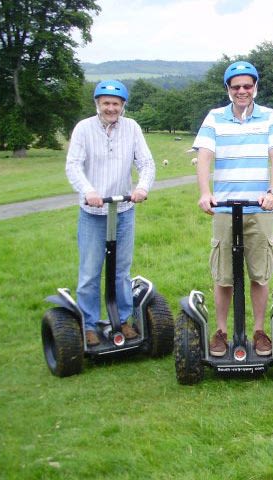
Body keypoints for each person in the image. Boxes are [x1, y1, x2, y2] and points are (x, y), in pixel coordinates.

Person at [193, 60, 273, 357]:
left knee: (260, 274)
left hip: (259, 209)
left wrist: (272, 192)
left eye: (247, 86)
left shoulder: (269, 117)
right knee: (223, 276)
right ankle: (221, 332)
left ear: (255, 87)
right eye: (236, 87)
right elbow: (205, 156)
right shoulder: (214, 118)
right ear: (228, 90)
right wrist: (206, 193)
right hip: (223, 210)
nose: (242, 91)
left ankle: (259, 331)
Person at [65, 80, 155, 347]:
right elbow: (73, 166)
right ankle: (90, 325)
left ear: (123, 106)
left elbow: (147, 163)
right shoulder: (84, 128)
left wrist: (142, 187)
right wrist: (88, 190)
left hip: (123, 209)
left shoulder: (132, 128)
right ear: (97, 104)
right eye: (106, 103)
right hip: (93, 211)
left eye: (116, 104)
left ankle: (122, 320)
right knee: (90, 272)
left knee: (121, 271)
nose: (111, 108)